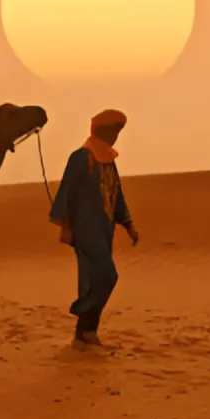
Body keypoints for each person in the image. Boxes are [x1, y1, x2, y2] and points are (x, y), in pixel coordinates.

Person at [49, 109, 140, 348]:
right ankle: (82, 315)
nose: (116, 136)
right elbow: (67, 192)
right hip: (84, 228)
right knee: (108, 275)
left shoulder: (107, 159)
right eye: (114, 131)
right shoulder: (81, 158)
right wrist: (65, 226)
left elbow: (115, 192)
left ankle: (87, 331)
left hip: (104, 228)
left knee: (93, 278)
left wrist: (128, 224)